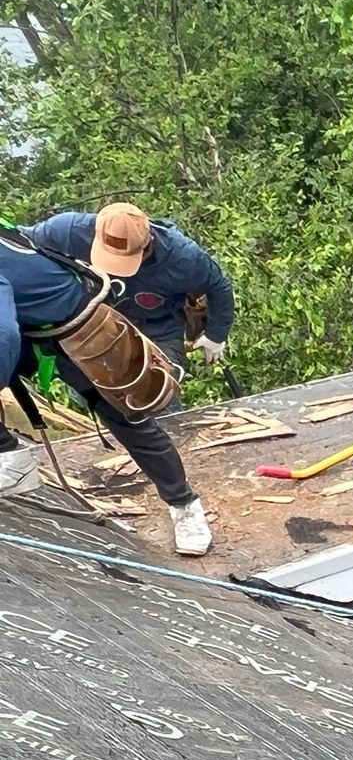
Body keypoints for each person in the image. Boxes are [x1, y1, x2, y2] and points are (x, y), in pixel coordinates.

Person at [0, 232, 211, 555]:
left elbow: (3, 335)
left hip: (82, 330)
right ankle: (7, 452)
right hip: (34, 328)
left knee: (129, 417)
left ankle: (185, 506)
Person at [27, 203, 235, 377]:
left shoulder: (184, 257)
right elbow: (18, 244)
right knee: (99, 389)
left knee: (157, 388)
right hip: (95, 326)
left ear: (148, 244)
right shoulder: (69, 231)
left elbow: (219, 285)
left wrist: (216, 335)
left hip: (158, 328)